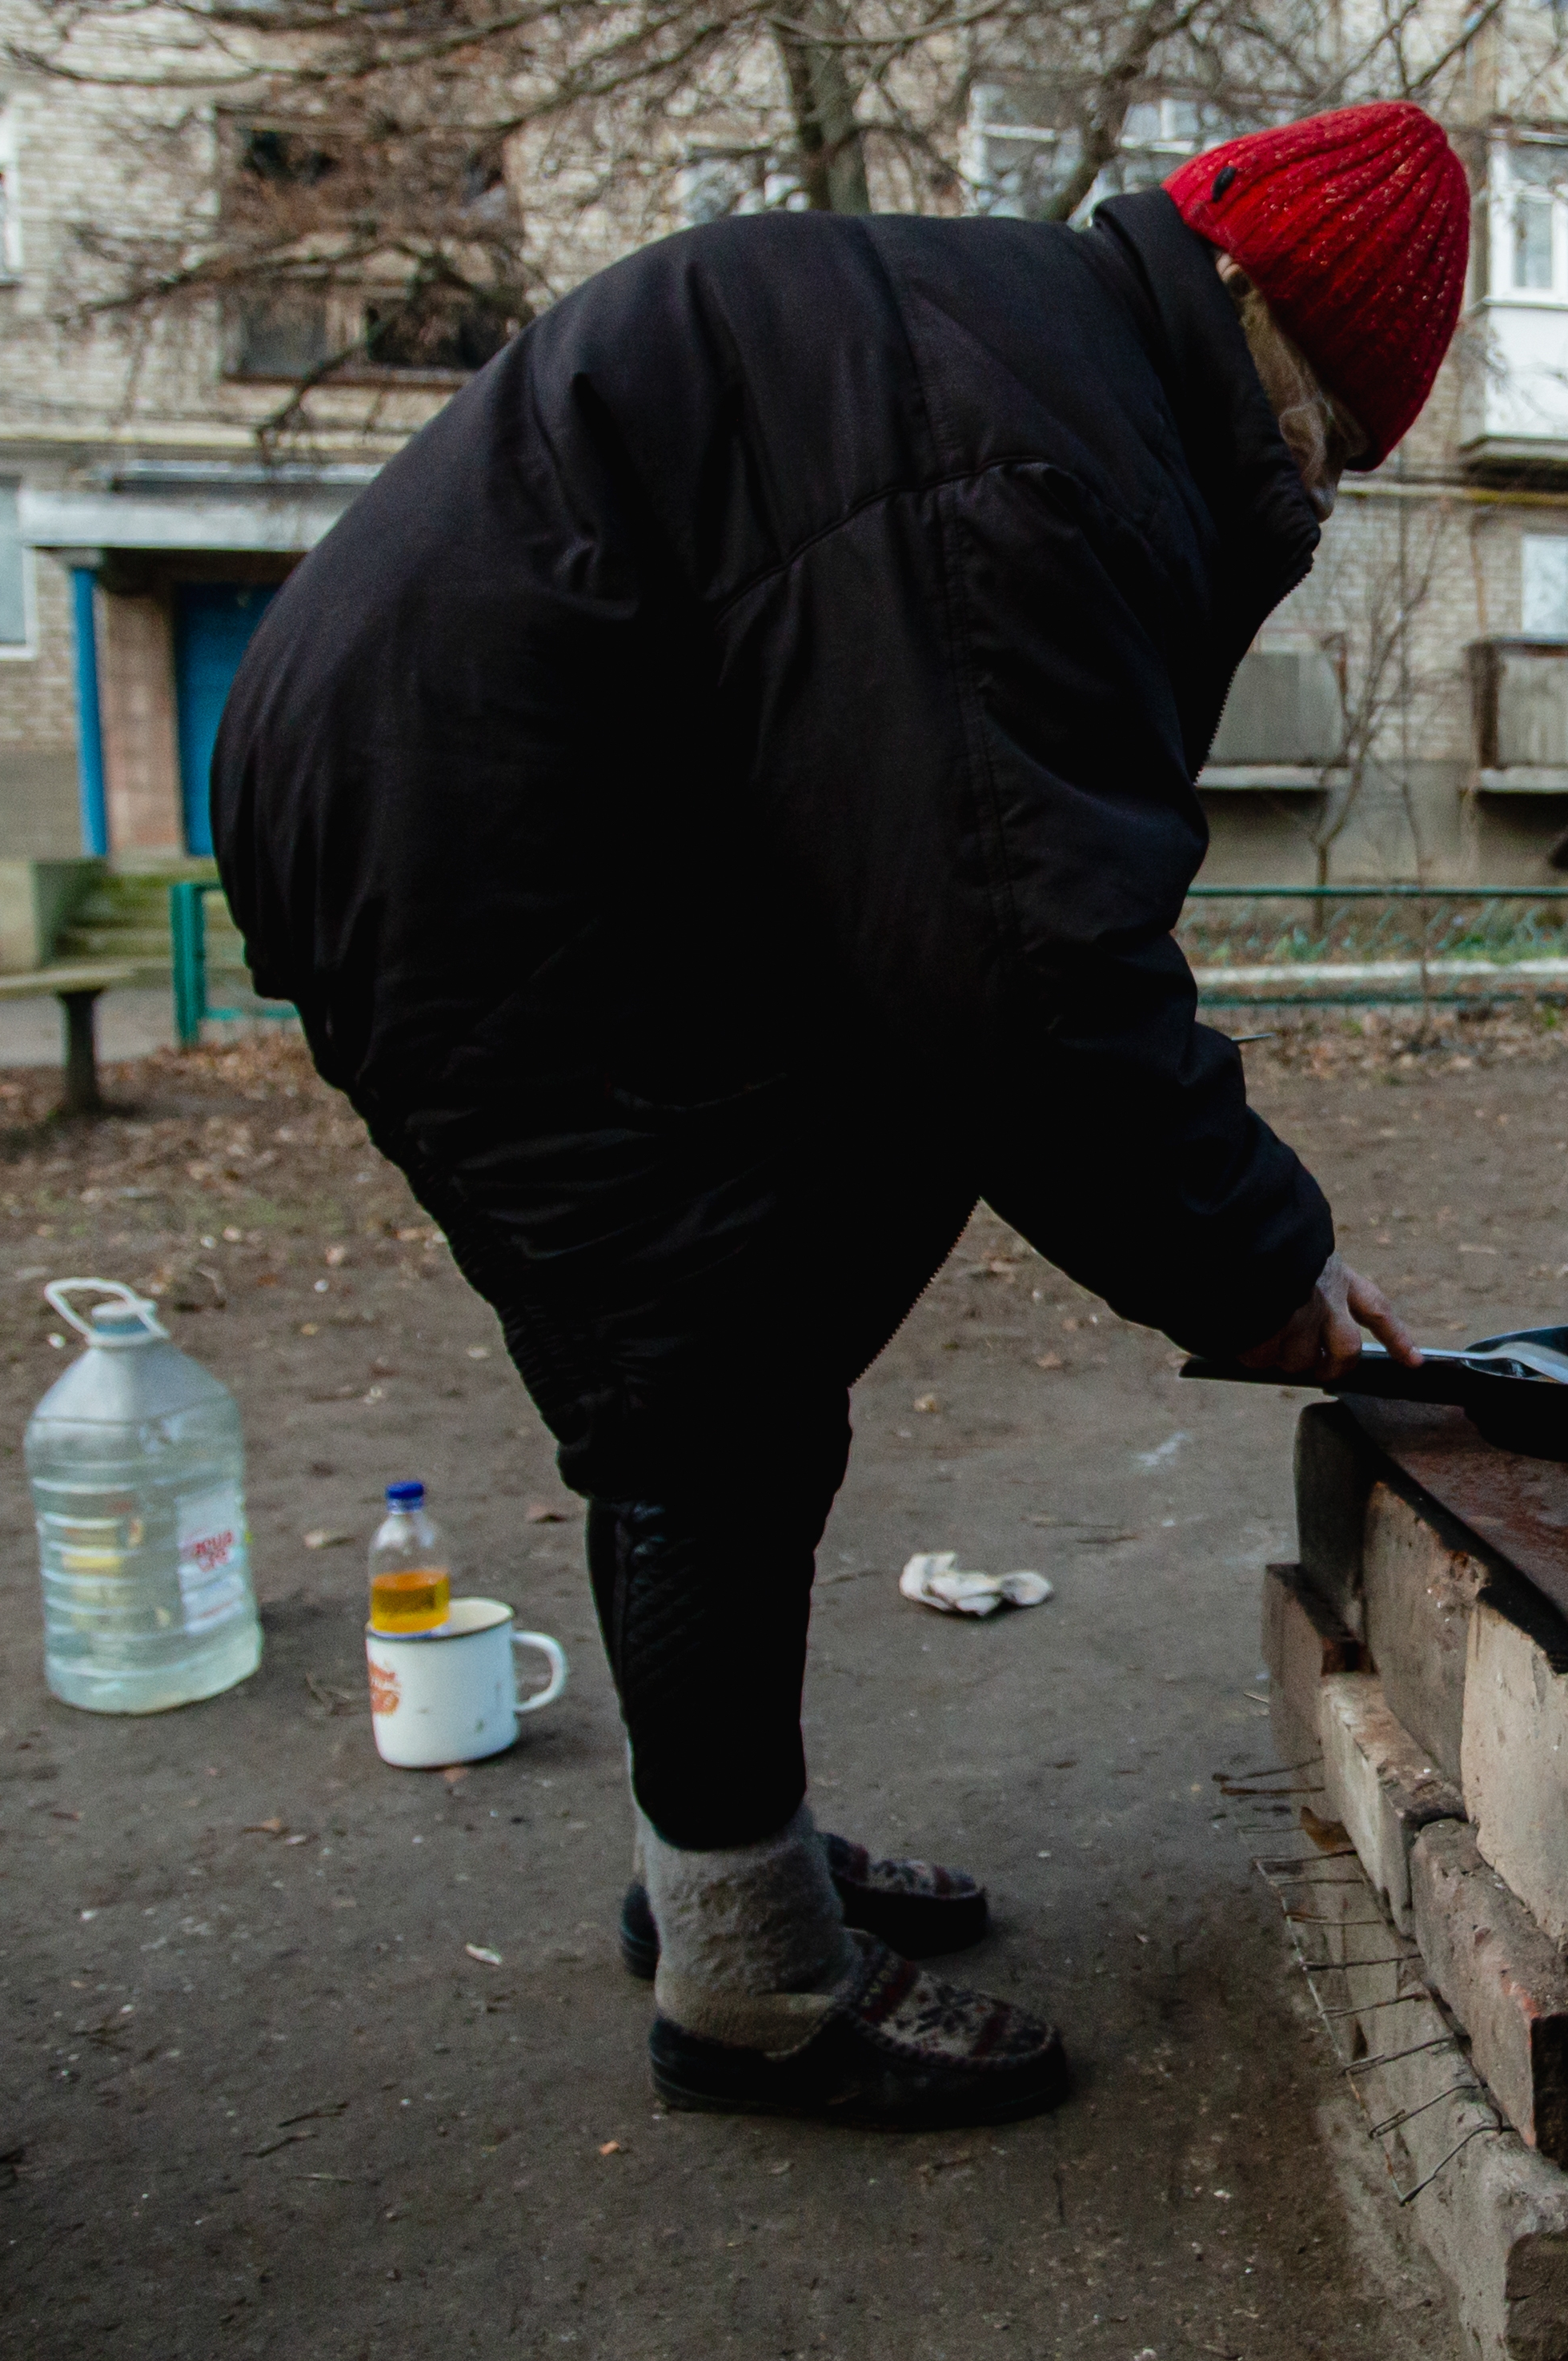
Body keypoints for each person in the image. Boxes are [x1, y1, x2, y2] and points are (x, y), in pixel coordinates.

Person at [211, 104, 1466, 2130]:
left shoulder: (1038, 365)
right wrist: (1254, 1259)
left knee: (770, 1288)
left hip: (524, 778)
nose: (1315, 484)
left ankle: (722, 1847)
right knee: (707, 1364)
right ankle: (752, 1983)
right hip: (467, 814)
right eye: (1323, 428)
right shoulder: (1036, 457)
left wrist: (1239, 1236)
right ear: (1240, 301)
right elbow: (1034, 963)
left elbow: (963, 935)